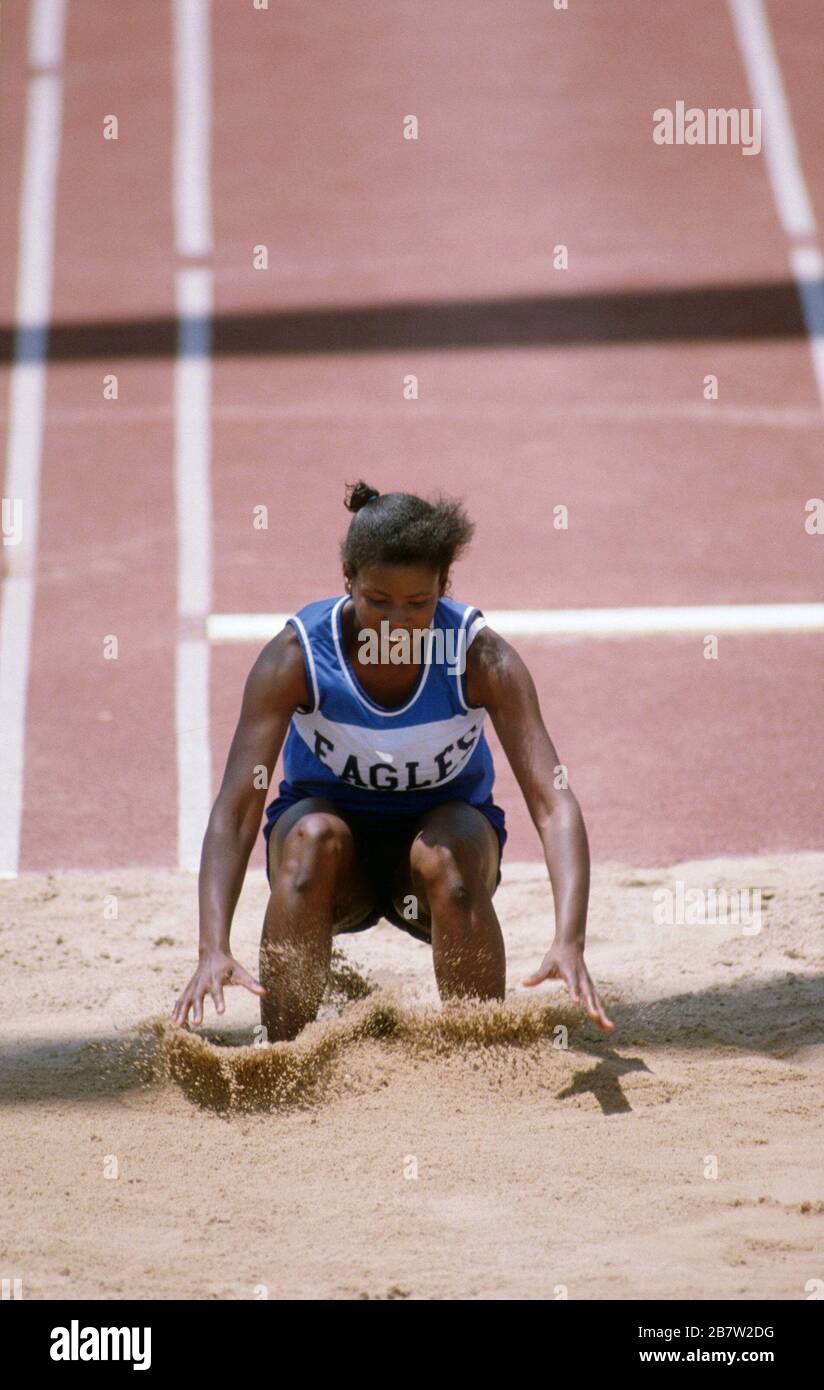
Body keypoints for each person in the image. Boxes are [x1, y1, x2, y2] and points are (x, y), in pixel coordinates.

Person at [172, 481, 614, 1041]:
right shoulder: (296, 657)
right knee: (311, 840)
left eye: (419, 604)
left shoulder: (480, 658)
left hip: (435, 867)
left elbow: (553, 803)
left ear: (444, 587)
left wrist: (568, 940)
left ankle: (482, 1051)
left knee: (449, 856)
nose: (396, 624)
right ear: (348, 580)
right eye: (377, 600)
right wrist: (213, 947)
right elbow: (237, 809)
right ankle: (284, 1051)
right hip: (335, 871)